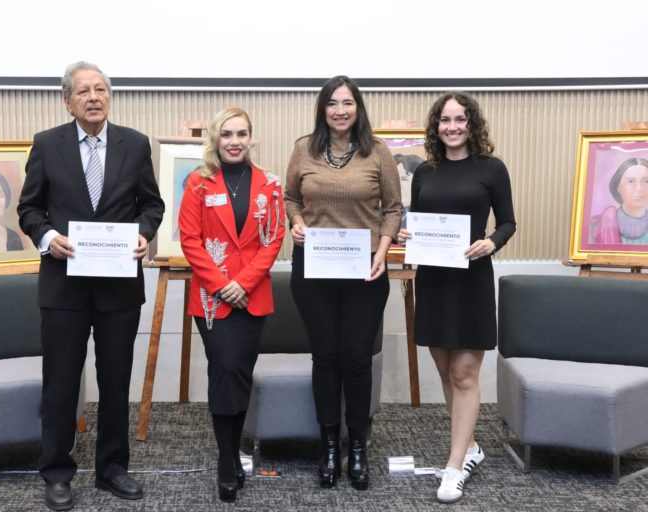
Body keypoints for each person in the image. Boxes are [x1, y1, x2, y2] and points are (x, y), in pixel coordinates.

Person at [17, 61, 164, 511]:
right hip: (64, 286)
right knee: (60, 382)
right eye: (84, 91)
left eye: (101, 89)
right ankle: (58, 473)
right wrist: (47, 238)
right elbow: (28, 209)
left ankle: (113, 469)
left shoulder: (135, 144)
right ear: (68, 101)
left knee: (116, 379)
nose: (94, 97)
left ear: (110, 96)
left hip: (119, 288)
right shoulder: (47, 144)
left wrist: (143, 234)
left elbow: (152, 205)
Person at [284, 76, 402, 491]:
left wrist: (383, 250)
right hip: (314, 270)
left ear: (358, 108)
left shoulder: (378, 152)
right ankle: (329, 445)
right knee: (325, 357)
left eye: (347, 103)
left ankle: (358, 448)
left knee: (355, 358)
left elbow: (393, 208)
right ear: (323, 109)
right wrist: (296, 223)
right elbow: (290, 199)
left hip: (364, 271)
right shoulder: (305, 149)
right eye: (332, 103)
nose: (340, 110)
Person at [396, 92, 516, 504]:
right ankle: (469, 447)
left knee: (465, 374)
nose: (452, 126)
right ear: (436, 125)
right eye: (445, 120)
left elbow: (508, 222)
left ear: (472, 123)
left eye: (460, 119)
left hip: (471, 281)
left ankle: (454, 467)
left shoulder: (492, 168)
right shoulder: (426, 171)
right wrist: (405, 234)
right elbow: (417, 221)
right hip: (432, 280)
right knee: (447, 371)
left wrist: (491, 243)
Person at [178, 107, 285, 502]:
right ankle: (227, 460)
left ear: (251, 138)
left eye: (242, 134)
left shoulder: (270, 184)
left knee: (239, 373)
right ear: (215, 139)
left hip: (253, 296)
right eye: (227, 134)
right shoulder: (198, 183)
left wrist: (244, 282)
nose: (235, 141)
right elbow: (190, 241)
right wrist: (224, 285)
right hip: (212, 299)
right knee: (223, 369)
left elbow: (273, 238)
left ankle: (232, 450)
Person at [589, 157, 648, 244]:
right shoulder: (602, 223)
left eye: (646, 181)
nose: (639, 188)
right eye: (630, 181)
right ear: (618, 187)